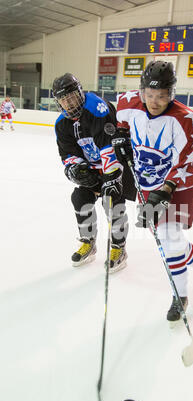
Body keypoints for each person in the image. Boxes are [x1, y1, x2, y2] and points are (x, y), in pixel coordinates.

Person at [113, 61, 193, 323]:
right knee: (169, 241)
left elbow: (189, 160)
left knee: (170, 240)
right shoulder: (128, 102)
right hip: (146, 185)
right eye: (149, 95)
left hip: (178, 186)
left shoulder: (185, 119)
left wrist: (168, 188)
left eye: (161, 96)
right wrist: (120, 135)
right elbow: (121, 121)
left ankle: (180, 296)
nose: (154, 101)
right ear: (141, 91)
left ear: (171, 94)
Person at [52, 73, 136, 271]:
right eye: (63, 99)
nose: (69, 103)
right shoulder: (61, 124)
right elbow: (67, 153)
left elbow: (109, 147)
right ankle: (88, 242)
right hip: (93, 168)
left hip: (115, 165)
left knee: (113, 201)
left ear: (80, 93)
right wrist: (76, 167)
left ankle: (118, 247)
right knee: (80, 197)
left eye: (71, 96)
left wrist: (111, 179)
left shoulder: (98, 109)